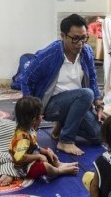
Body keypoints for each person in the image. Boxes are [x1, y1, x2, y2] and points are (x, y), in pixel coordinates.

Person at [21, 13, 103, 156]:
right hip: (52, 105)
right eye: (75, 38)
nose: (80, 43)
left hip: (77, 104)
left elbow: (93, 78)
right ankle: (66, 140)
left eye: (84, 38)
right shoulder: (49, 55)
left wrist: (99, 106)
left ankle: (61, 125)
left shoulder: (86, 52)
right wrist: (33, 112)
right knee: (86, 94)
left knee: (98, 136)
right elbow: (26, 79)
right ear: (63, 36)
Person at [10, 96, 79, 179]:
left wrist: (44, 151)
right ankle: (58, 171)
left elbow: (34, 147)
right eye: (40, 115)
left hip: (30, 156)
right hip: (23, 168)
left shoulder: (29, 129)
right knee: (46, 166)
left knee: (47, 150)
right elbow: (20, 158)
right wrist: (38, 156)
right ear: (34, 120)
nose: (42, 117)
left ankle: (58, 164)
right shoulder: (23, 138)